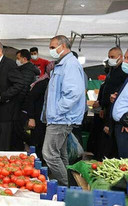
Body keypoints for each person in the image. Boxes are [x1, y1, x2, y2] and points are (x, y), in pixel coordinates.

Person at [42, 35, 86, 186]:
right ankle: (65, 185)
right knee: (61, 154)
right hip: (60, 117)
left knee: (49, 154)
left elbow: (74, 92)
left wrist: (58, 110)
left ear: (63, 46)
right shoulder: (62, 64)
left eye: (53, 47)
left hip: (61, 118)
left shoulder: (70, 65)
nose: (51, 50)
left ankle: (67, 186)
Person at [0, 41, 25, 150]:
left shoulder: (9, 64)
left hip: (6, 112)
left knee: (3, 143)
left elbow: (19, 83)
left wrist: (3, 97)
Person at [15, 49, 40, 150]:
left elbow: (23, 89)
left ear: (24, 59)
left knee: (19, 129)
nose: (16, 61)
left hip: (24, 105)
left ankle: (33, 146)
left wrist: (18, 105)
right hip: (26, 105)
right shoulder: (30, 69)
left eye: (18, 58)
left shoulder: (27, 71)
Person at [101, 47, 127, 138]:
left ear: (119, 57)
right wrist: (102, 106)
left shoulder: (123, 72)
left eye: (112, 57)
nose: (110, 59)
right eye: (109, 57)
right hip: (109, 109)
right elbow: (105, 87)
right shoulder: (111, 70)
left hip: (120, 116)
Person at [112, 49, 128, 158]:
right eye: (125, 58)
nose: (124, 61)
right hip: (121, 126)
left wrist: (126, 120)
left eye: (127, 58)